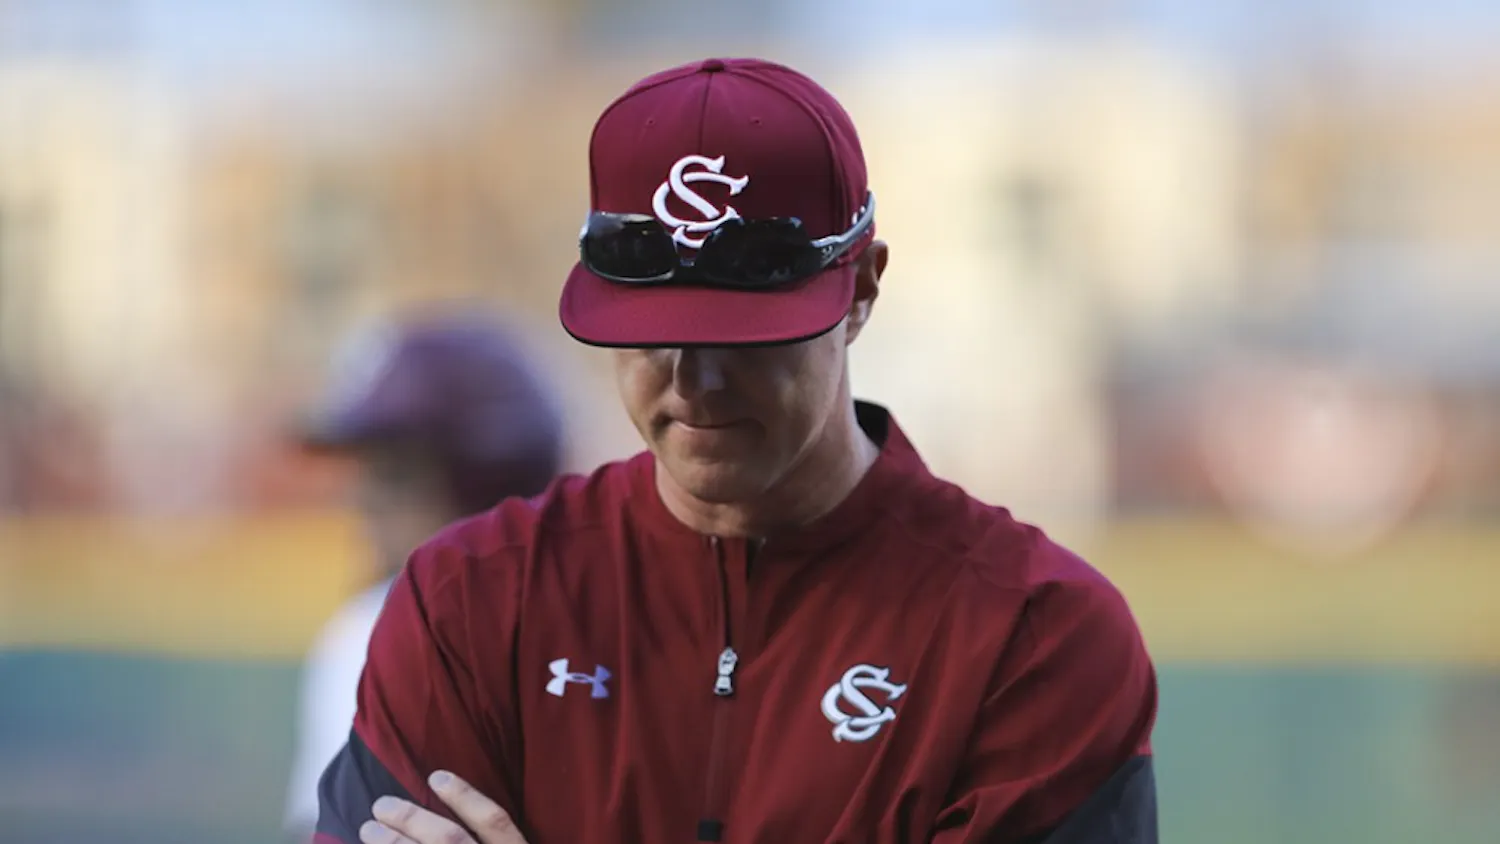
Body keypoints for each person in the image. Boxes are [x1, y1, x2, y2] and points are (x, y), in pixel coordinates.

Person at [316, 57, 1159, 844]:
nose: (695, 383)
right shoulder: (472, 600)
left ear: (861, 288)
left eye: (744, 333)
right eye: (651, 333)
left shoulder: (1034, 634)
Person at [282, 312, 565, 843]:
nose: (361, 500)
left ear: (487, 477)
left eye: (393, 472)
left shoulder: (380, 627)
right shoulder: (365, 626)